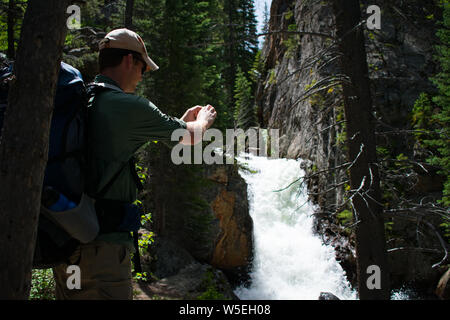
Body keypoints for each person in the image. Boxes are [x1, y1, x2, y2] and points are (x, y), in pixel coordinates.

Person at [52, 28, 217, 300]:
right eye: (143, 67)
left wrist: (181, 120)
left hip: (68, 244)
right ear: (129, 60)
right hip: (102, 250)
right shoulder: (128, 105)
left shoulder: (85, 98)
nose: (143, 76)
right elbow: (188, 136)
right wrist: (203, 121)